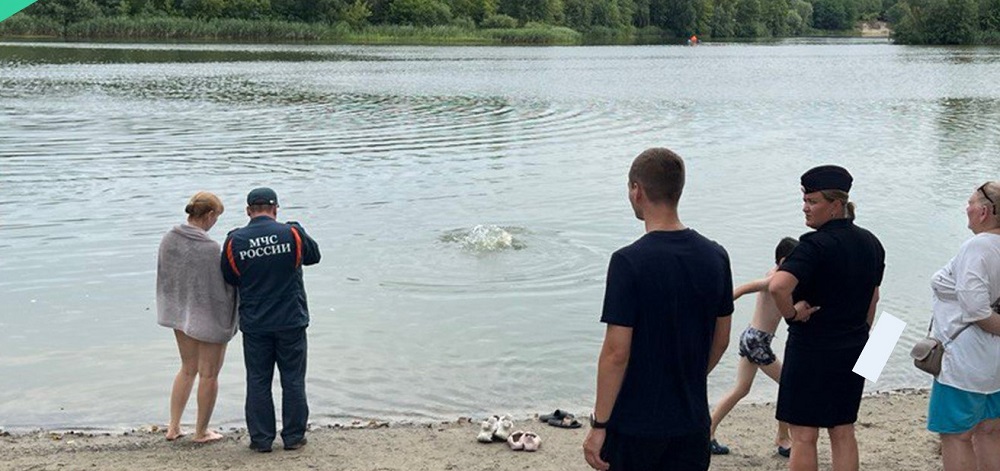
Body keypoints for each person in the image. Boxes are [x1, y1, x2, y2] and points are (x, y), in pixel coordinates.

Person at [582, 147, 733, 471]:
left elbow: (615, 352)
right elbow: (721, 339)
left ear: (637, 191)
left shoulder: (628, 262)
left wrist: (599, 424)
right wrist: (687, 376)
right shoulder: (716, 256)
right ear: (678, 189)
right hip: (692, 421)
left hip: (636, 423)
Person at [768, 165, 885, 471]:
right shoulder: (872, 242)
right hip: (855, 344)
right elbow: (874, 298)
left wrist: (793, 315)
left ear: (835, 205)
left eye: (813, 201)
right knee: (843, 429)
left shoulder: (814, 245)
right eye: (805, 201)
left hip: (812, 347)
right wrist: (861, 332)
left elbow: (777, 287)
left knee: (804, 434)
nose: (805, 208)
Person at [221, 187, 321, 453]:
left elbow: (229, 277)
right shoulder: (292, 234)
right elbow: (314, 257)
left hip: (256, 323)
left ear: (248, 211)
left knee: (258, 379)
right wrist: (297, 228)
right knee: (293, 379)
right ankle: (293, 437)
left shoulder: (235, 240)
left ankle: (262, 440)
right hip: (291, 319)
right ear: (275, 209)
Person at [926, 181, 1000, 471]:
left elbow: (975, 310)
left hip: (965, 361)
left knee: (957, 436)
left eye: (970, 203)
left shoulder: (978, 247)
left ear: (984, 212)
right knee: (990, 432)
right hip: (993, 362)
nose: (965, 209)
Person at [156, 191, 237, 443]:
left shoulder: (169, 238)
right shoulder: (210, 247)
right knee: (209, 374)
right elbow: (223, 285)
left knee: (187, 369)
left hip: (179, 313)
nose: (215, 223)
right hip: (209, 317)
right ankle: (201, 432)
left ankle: (173, 427)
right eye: (217, 217)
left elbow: (166, 276)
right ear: (210, 215)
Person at [709, 237, 799, 458]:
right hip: (757, 341)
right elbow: (743, 288)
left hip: (750, 337)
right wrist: (718, 310)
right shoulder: (775, 279)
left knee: (741, 389)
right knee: (790, 386)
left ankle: (707, 433)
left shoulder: (779, 277)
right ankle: (783, 438)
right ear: (785, 260)